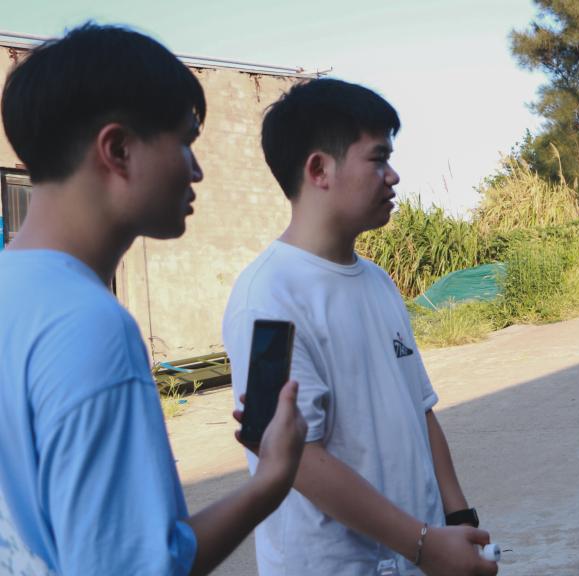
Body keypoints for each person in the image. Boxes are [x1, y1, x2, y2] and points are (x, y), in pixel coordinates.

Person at [0, 24, 307, 576]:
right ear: (118, 149)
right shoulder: (88, 325)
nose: (197, 169)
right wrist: (271, 482)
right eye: (186, 141)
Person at [222, 78, 498, 576]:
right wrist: (424, 544)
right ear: (319, 169)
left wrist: (457, 519)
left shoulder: (378, 282)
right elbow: (296, 459)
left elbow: (420, 408)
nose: (393, 176)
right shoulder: (268, 298)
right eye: (378, 159)